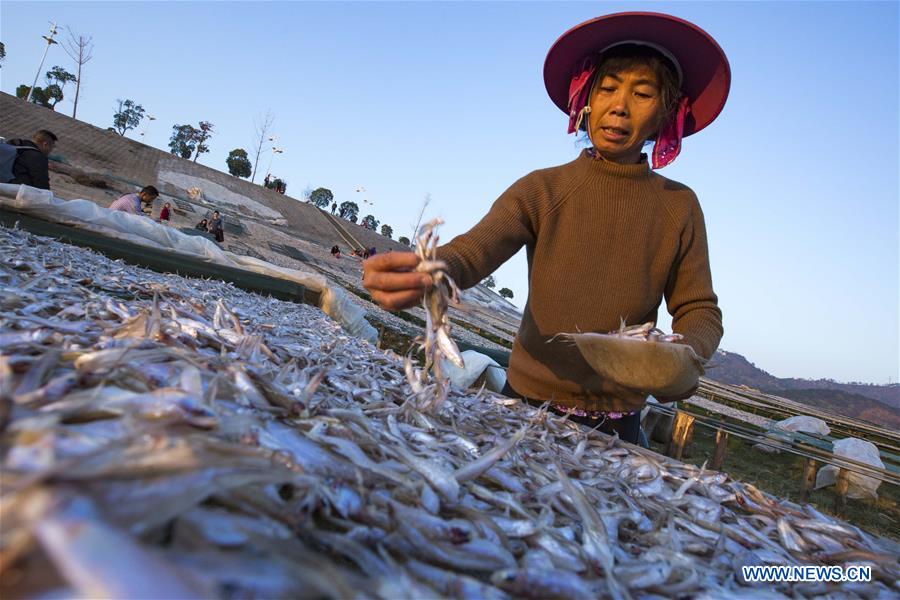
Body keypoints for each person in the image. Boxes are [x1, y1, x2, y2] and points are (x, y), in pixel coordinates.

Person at [362, 12, 729, 444]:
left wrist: (685, 357)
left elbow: (699, 309)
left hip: (617, 426)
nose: (619, 105)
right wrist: (430, 272)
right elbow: (475, 251)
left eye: (643, 93)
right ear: (586, 98)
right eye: (608, 88)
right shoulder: (544, 189)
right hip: (524, 404)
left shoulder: (678, 207)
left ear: (666, 113)